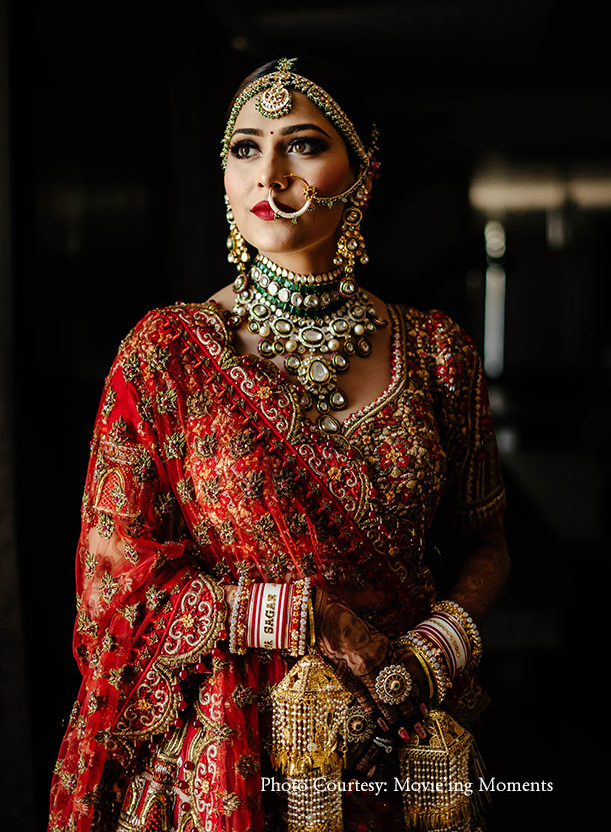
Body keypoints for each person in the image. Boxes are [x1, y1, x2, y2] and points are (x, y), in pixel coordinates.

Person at [49, 57, 510, 832]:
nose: (269, 172)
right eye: (244, 147)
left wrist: (421, 663)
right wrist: (305, 618)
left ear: (361, 169)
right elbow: (110, 574)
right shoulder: (167, 355)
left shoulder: (436, 355)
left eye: (301, 144)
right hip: (224, 753)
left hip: (398, 741)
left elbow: (485, 542)